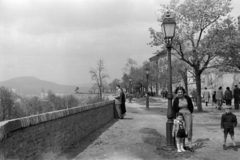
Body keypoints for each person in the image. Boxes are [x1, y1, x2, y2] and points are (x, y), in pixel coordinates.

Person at [173, 86, 194, 152]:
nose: (179, 93)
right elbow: (174, 108)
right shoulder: (176, 99)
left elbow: (191, 106)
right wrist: (175, 118)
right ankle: (182, 145)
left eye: (181, 92)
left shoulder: (187, 98)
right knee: (181, 128)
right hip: (180, 115)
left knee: (189, 129)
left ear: (183, 92)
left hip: (188, 113)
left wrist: (189, 112)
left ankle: (190, 145)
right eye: (178, 92)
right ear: (177, 92)